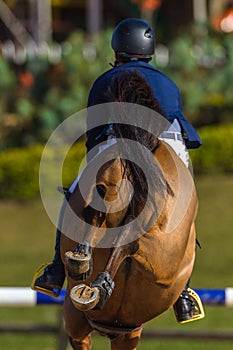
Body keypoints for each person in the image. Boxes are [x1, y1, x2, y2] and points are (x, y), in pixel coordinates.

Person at [32, 18, 204, 324]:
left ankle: (57, 268)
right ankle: (184, 293)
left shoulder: (104, 80)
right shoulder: (167, 83)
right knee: (184, 206)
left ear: (117, 49)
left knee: (74, 193)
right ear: (150, 51)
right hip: (166, 142)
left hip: (114, 140)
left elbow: (94, 132)